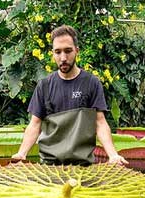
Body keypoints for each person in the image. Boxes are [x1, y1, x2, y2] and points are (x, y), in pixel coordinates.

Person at [12, 25, 128, 166]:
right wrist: (21, 153)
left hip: (83, 165)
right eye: (58, 52)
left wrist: (113, 155)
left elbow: (100, 122)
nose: (63, 58)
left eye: (68, 51)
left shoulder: (91, 83)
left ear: (77, 51)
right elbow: (35, 124)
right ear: (53, 54)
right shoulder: (44, 85)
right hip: (50, 164)